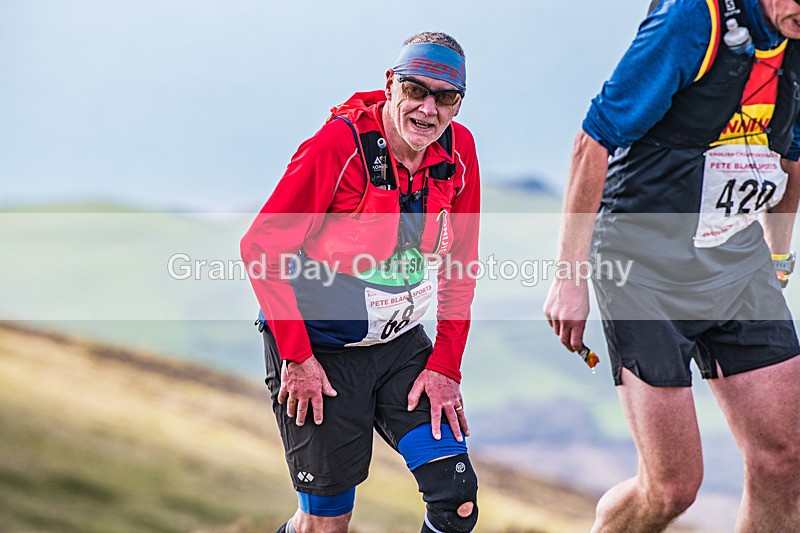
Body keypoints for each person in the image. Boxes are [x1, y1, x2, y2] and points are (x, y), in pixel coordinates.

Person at [543, 0, 800, 531]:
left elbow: (792, 155)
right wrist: (568, 278)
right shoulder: (693, 19)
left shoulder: (792, 39)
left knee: (786, 460)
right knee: (671, 489)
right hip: (643, 266)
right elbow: (591, 141)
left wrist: (778, 255)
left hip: (735, 258)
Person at [241, 32, 481, 533]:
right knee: (326, 524)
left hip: (399, 350)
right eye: (416, 90)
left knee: (456, 501)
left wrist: (446, 366)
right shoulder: (338, 146)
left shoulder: (459, 153)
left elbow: (460, 264)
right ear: (391, 84)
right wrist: (297, 358)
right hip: (320, 355)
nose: (428, 109)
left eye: (446, 97)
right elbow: (261, 248)